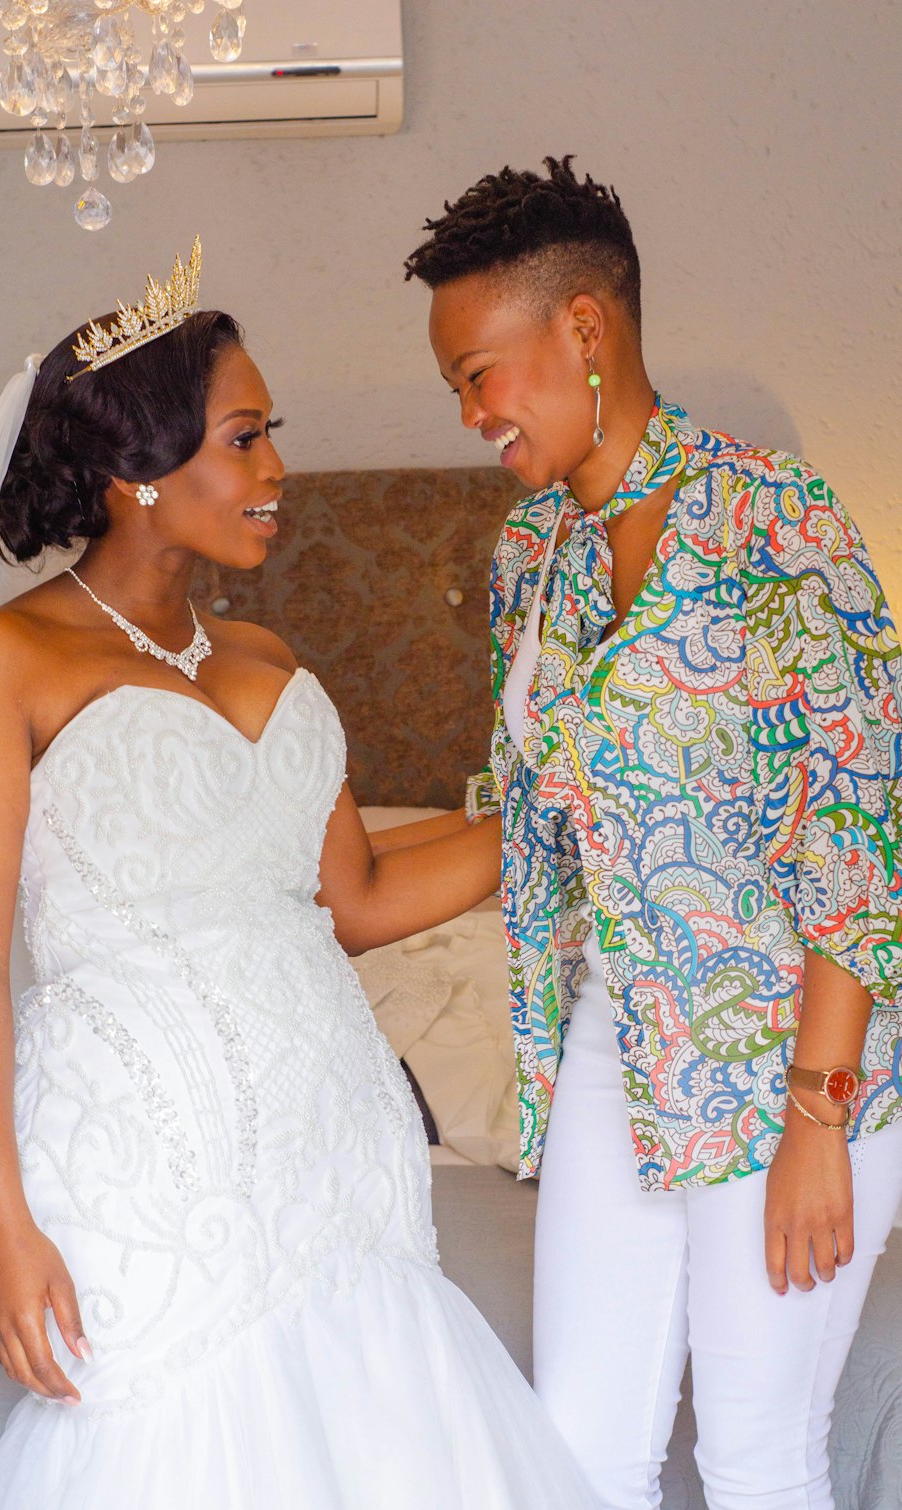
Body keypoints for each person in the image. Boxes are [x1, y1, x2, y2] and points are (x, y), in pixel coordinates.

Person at [0, 240, 595, 1509]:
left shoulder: (268, 655)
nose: (278, 471)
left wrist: (572, 806)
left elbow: (364, 896)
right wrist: (7, 1231)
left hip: (337, 1139)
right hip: (138, 1153)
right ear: (134, 475)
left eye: (271, 433)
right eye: (242, 439)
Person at [405, 156, 902, 1509]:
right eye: (455, 384)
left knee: (754, 1453)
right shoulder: (529, 560)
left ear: (583, 327)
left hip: (787, 1054)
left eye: (479, 372)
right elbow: (529, 824)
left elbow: (863, 826)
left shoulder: (774, 523)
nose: (471, 415)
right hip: (613, 1048)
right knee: (576, 1451)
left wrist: (819, 1114)